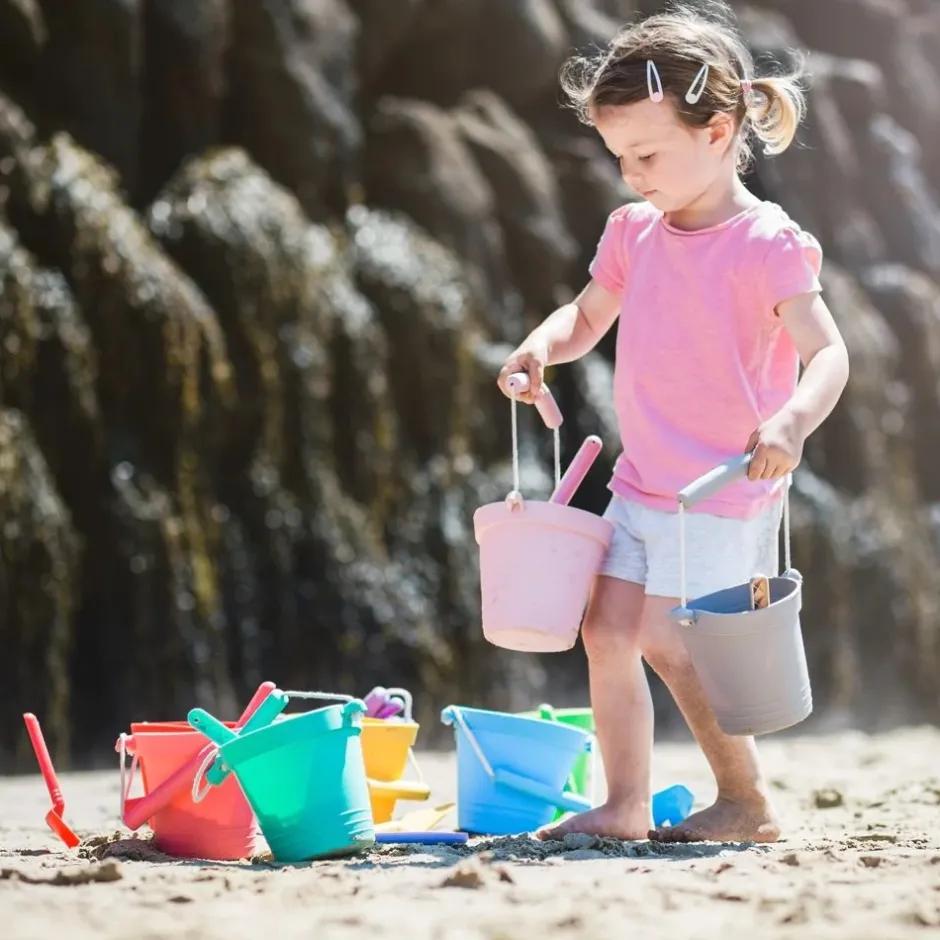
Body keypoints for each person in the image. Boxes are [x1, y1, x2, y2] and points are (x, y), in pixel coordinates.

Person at [497, 3, 849, 844]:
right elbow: (586, 317)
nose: (631, 174)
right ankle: (624, 803)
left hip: (722, 489)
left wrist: (792, 423)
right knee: (607, 630)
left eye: (647, 155)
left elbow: (829, 353)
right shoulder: (634, 234)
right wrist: (540, 347)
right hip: (642, 482)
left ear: (719, 132)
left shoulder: (766, 243)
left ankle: (746, 800)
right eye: (620, 157)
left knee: (671, 639)